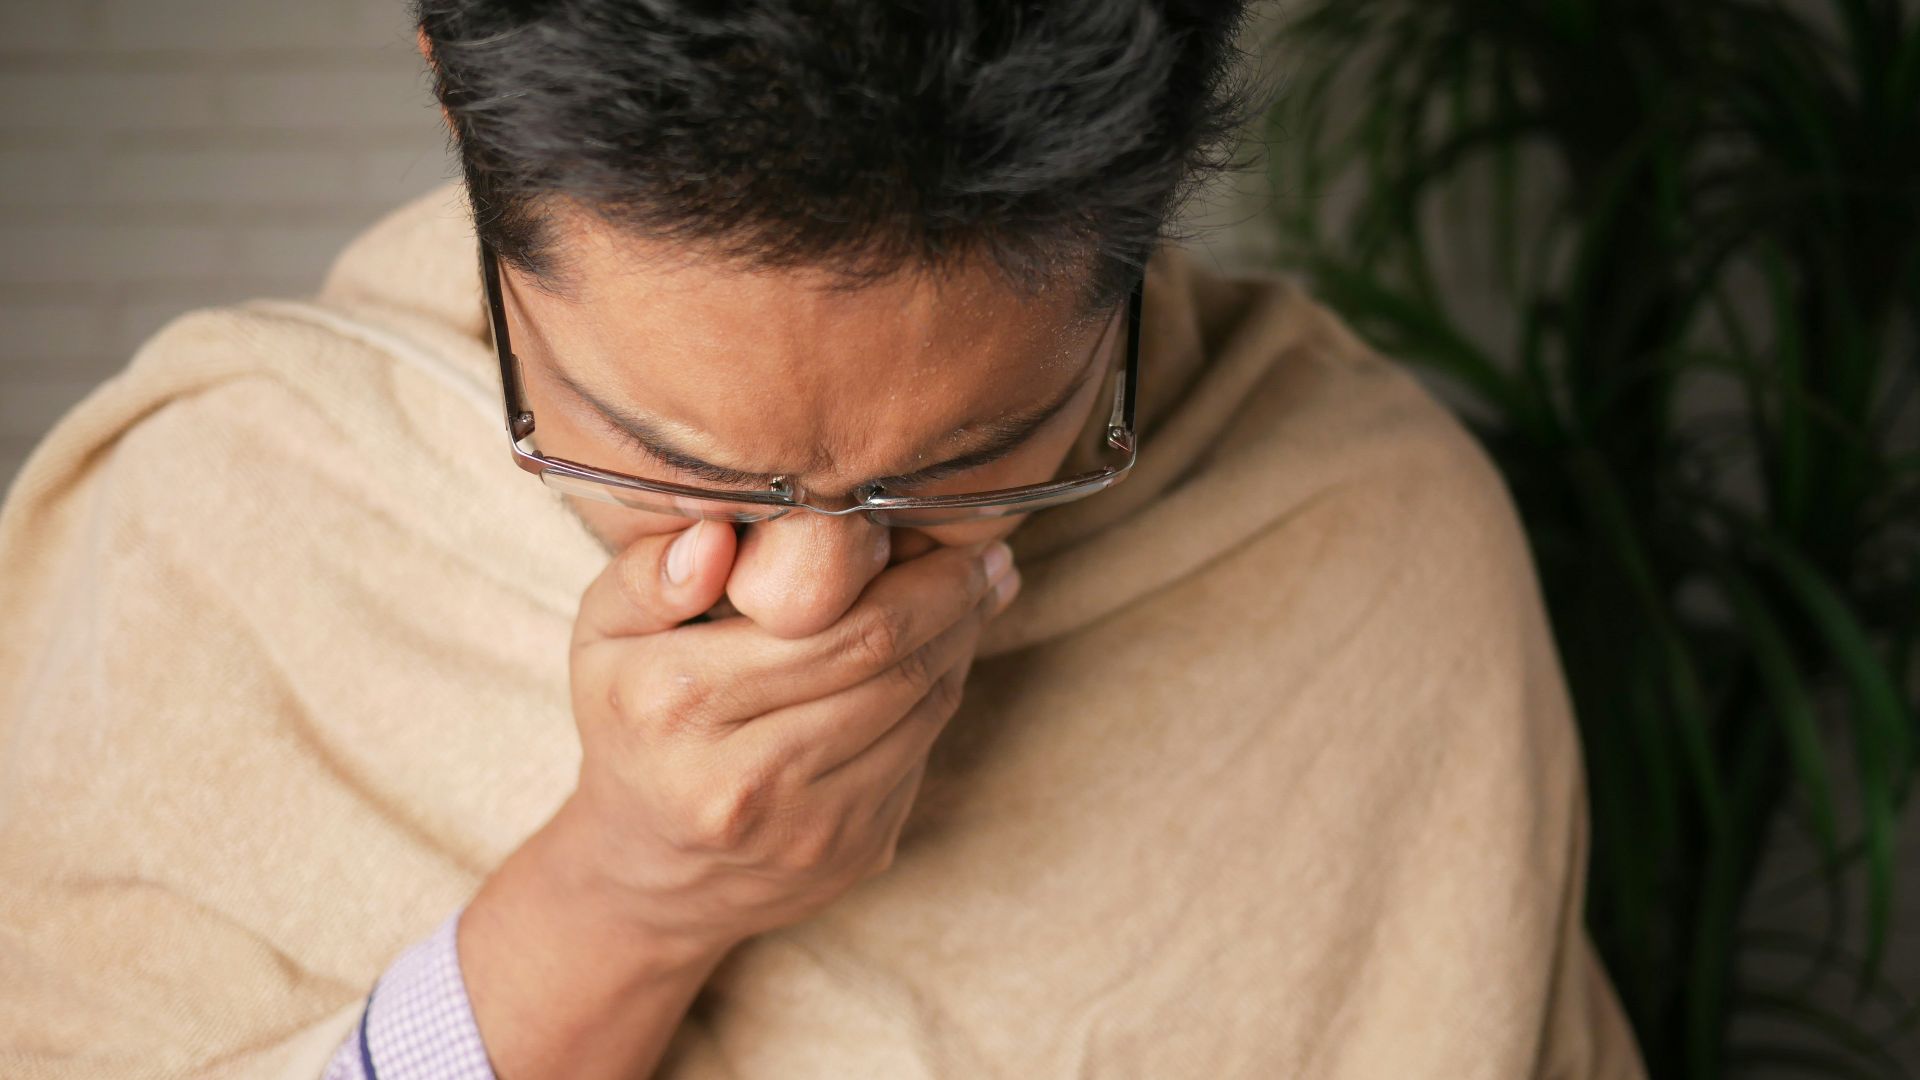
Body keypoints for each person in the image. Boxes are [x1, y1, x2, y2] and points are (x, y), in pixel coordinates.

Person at [0, 1, 1647, 1077]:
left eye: (988, 454)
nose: (810, 599)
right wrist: (618, 905)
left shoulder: (1372, 542)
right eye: (655, 453)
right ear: (454, 103)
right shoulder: (211, 522)